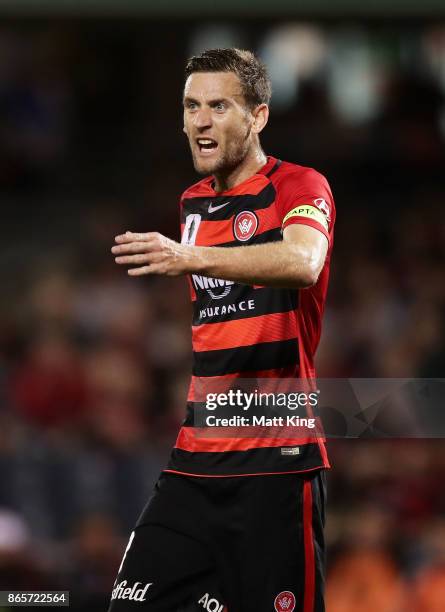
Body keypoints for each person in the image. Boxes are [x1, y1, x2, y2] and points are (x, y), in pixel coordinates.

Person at [108, 48, 335, 612]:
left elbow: (304, 262)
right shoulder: (192, 204)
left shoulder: (301, 187)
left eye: (218, 106)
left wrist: (194, 259)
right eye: (190, 106)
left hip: (277, 466)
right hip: (196, 459)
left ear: (257, 117)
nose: (200, 121)